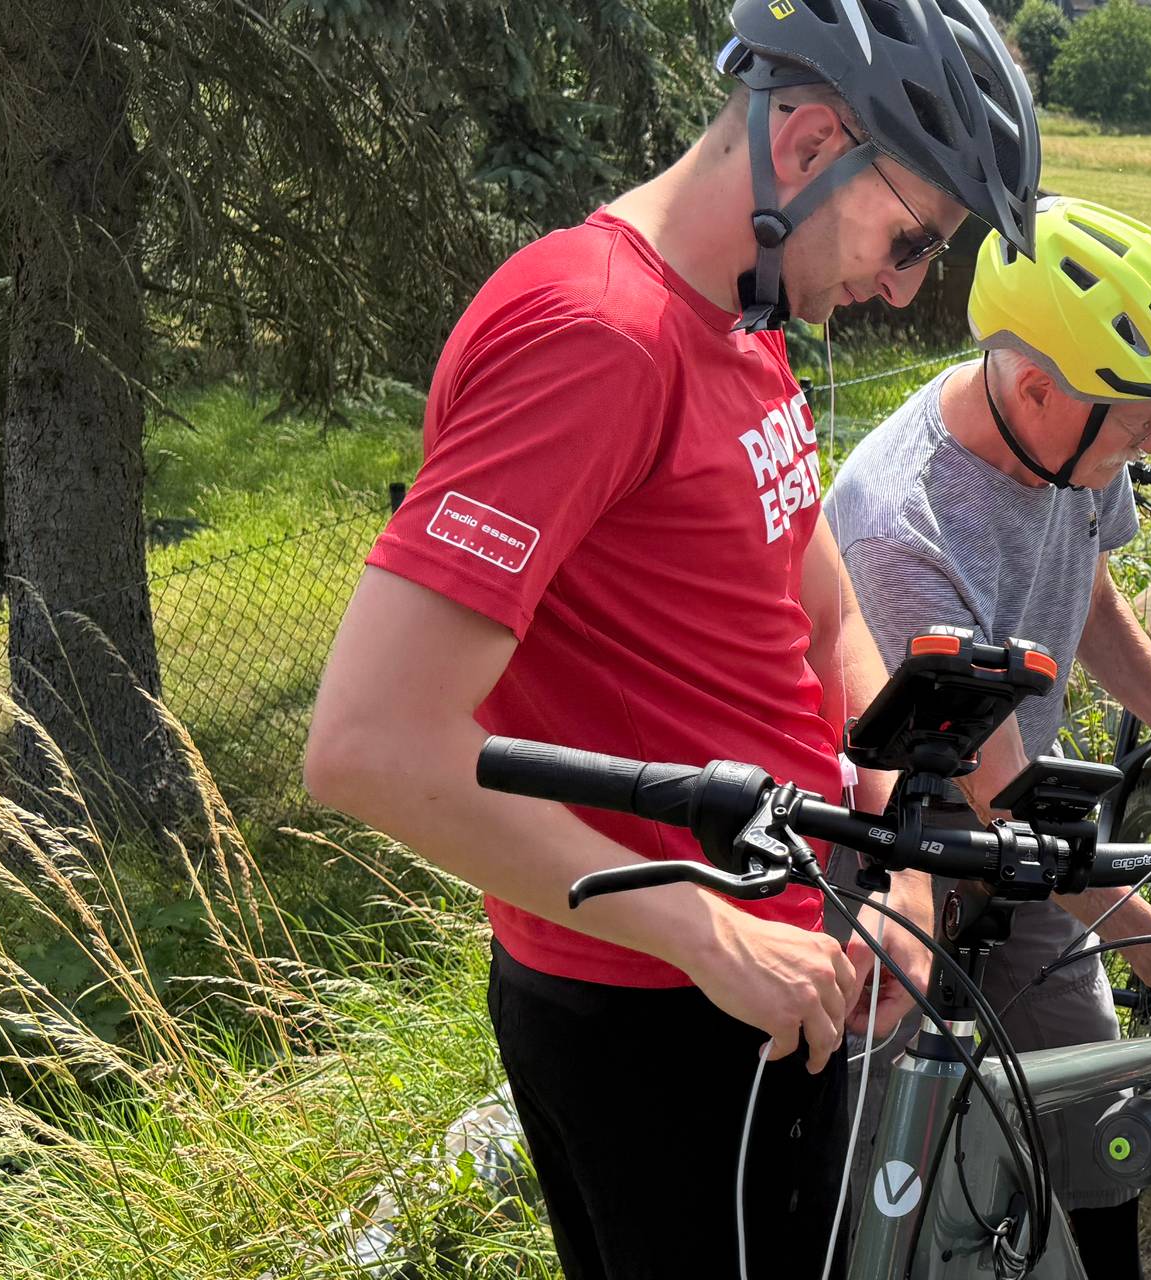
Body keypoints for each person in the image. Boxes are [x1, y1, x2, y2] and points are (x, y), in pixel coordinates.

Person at [302, 2, 1040, 1274]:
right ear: (810, 144)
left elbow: (818, 611)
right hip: (658, 1009)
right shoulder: (595, 338)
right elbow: (369, 744)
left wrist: (906, 837)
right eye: (910, 236)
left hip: (787, 964)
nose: (906, 285)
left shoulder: (739, 322)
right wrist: (704, 927)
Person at [822, 196, 1151, 1276]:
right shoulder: (899, 525)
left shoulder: (1070, 449)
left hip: (1025, 841)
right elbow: (986, 792)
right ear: (1035, 386)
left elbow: (1089, 589)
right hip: (916, 858)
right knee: (903, 1184)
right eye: (1140, 414)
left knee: (1088, 1114)